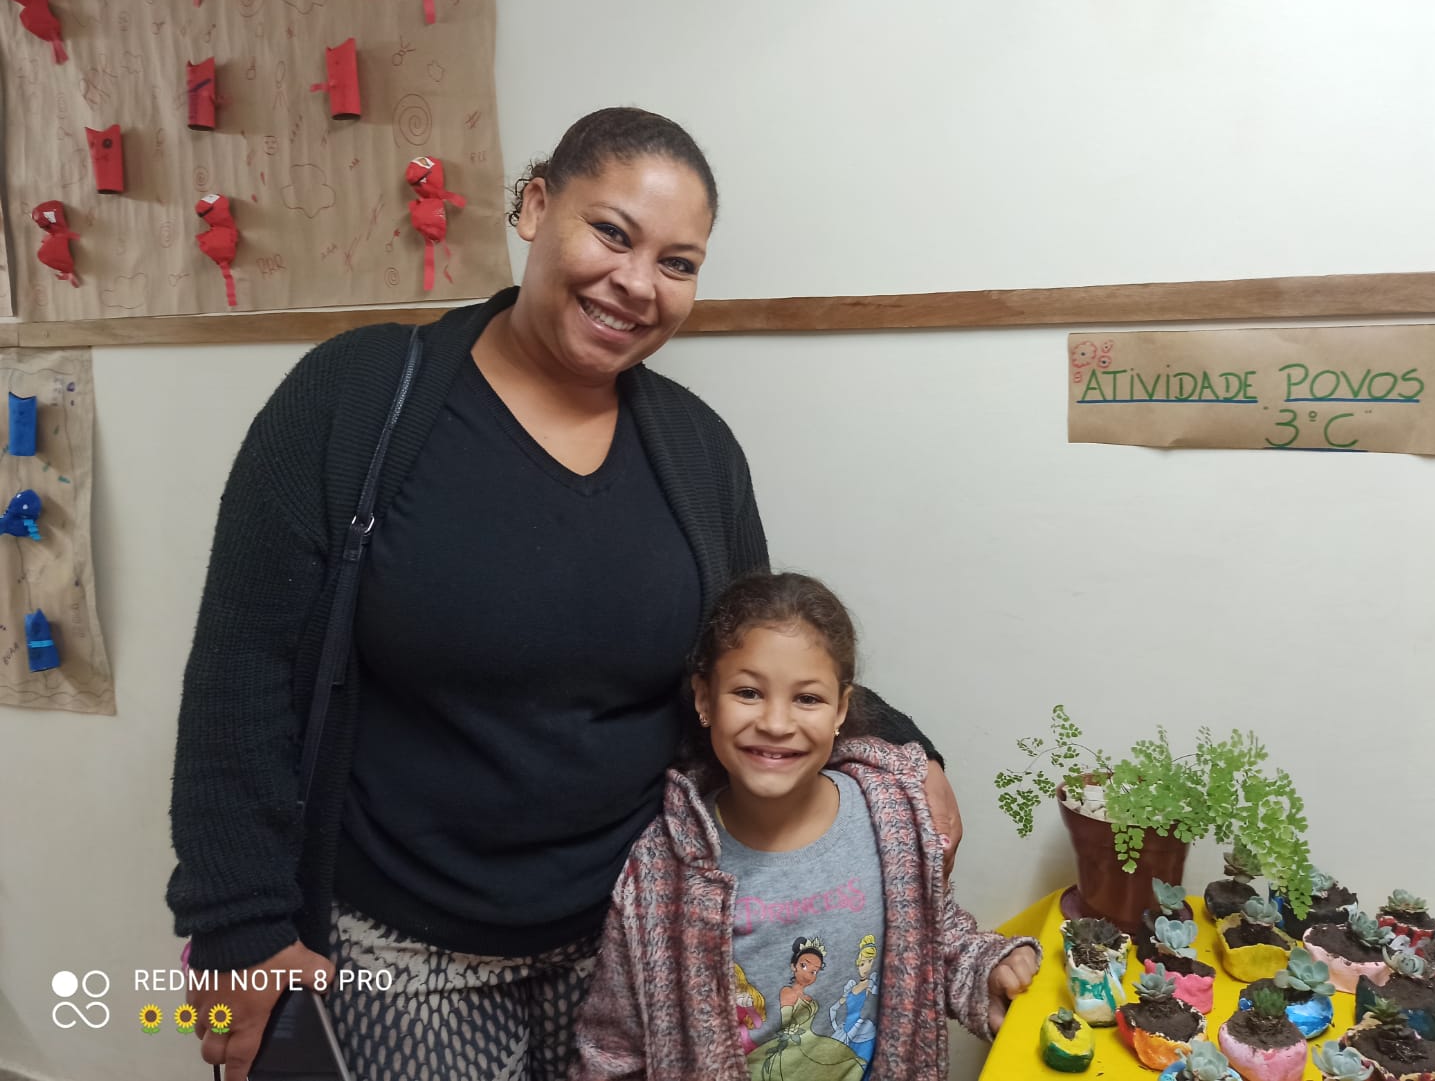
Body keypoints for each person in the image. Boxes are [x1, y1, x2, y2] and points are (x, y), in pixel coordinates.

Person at [165, 108, 965, 1081]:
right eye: (612, 232)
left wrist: (894, 739)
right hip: (404, 953)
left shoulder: (699, 453)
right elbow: (238, 674)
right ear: (537, 206)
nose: (636, 282)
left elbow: (749, 657)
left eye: (678, 262)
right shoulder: (356, 400)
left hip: (631, 939)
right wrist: (238, 930)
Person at [571, 572, 1042, 1080]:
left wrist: (987, 968)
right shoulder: (664, 868)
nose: (776, 722)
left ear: (842, 707)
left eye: (807, 699)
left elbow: (935, 938)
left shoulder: (892, 819)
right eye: (748, 692)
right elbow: (613, 1045)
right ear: (704, 700)